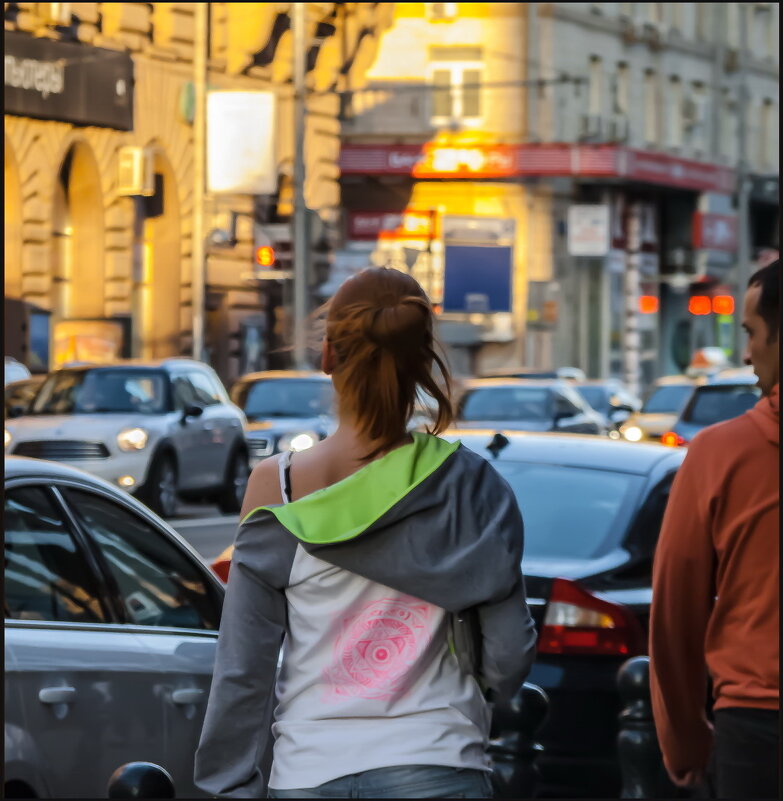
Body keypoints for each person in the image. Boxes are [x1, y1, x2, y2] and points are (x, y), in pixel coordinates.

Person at [194, 267, 537, 799]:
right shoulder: (469, 484)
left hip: (308, 772)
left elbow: (243, 667)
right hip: (437, 761)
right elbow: (508, 656)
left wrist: (230, 784)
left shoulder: (277, 488)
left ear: (328, 356)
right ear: (423, 363)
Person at [649, 260, 780, 798]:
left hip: (758, 724)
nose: (747, 354)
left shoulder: (720, 455)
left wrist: (682, 739)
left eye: (751, 333)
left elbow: (676, 612)